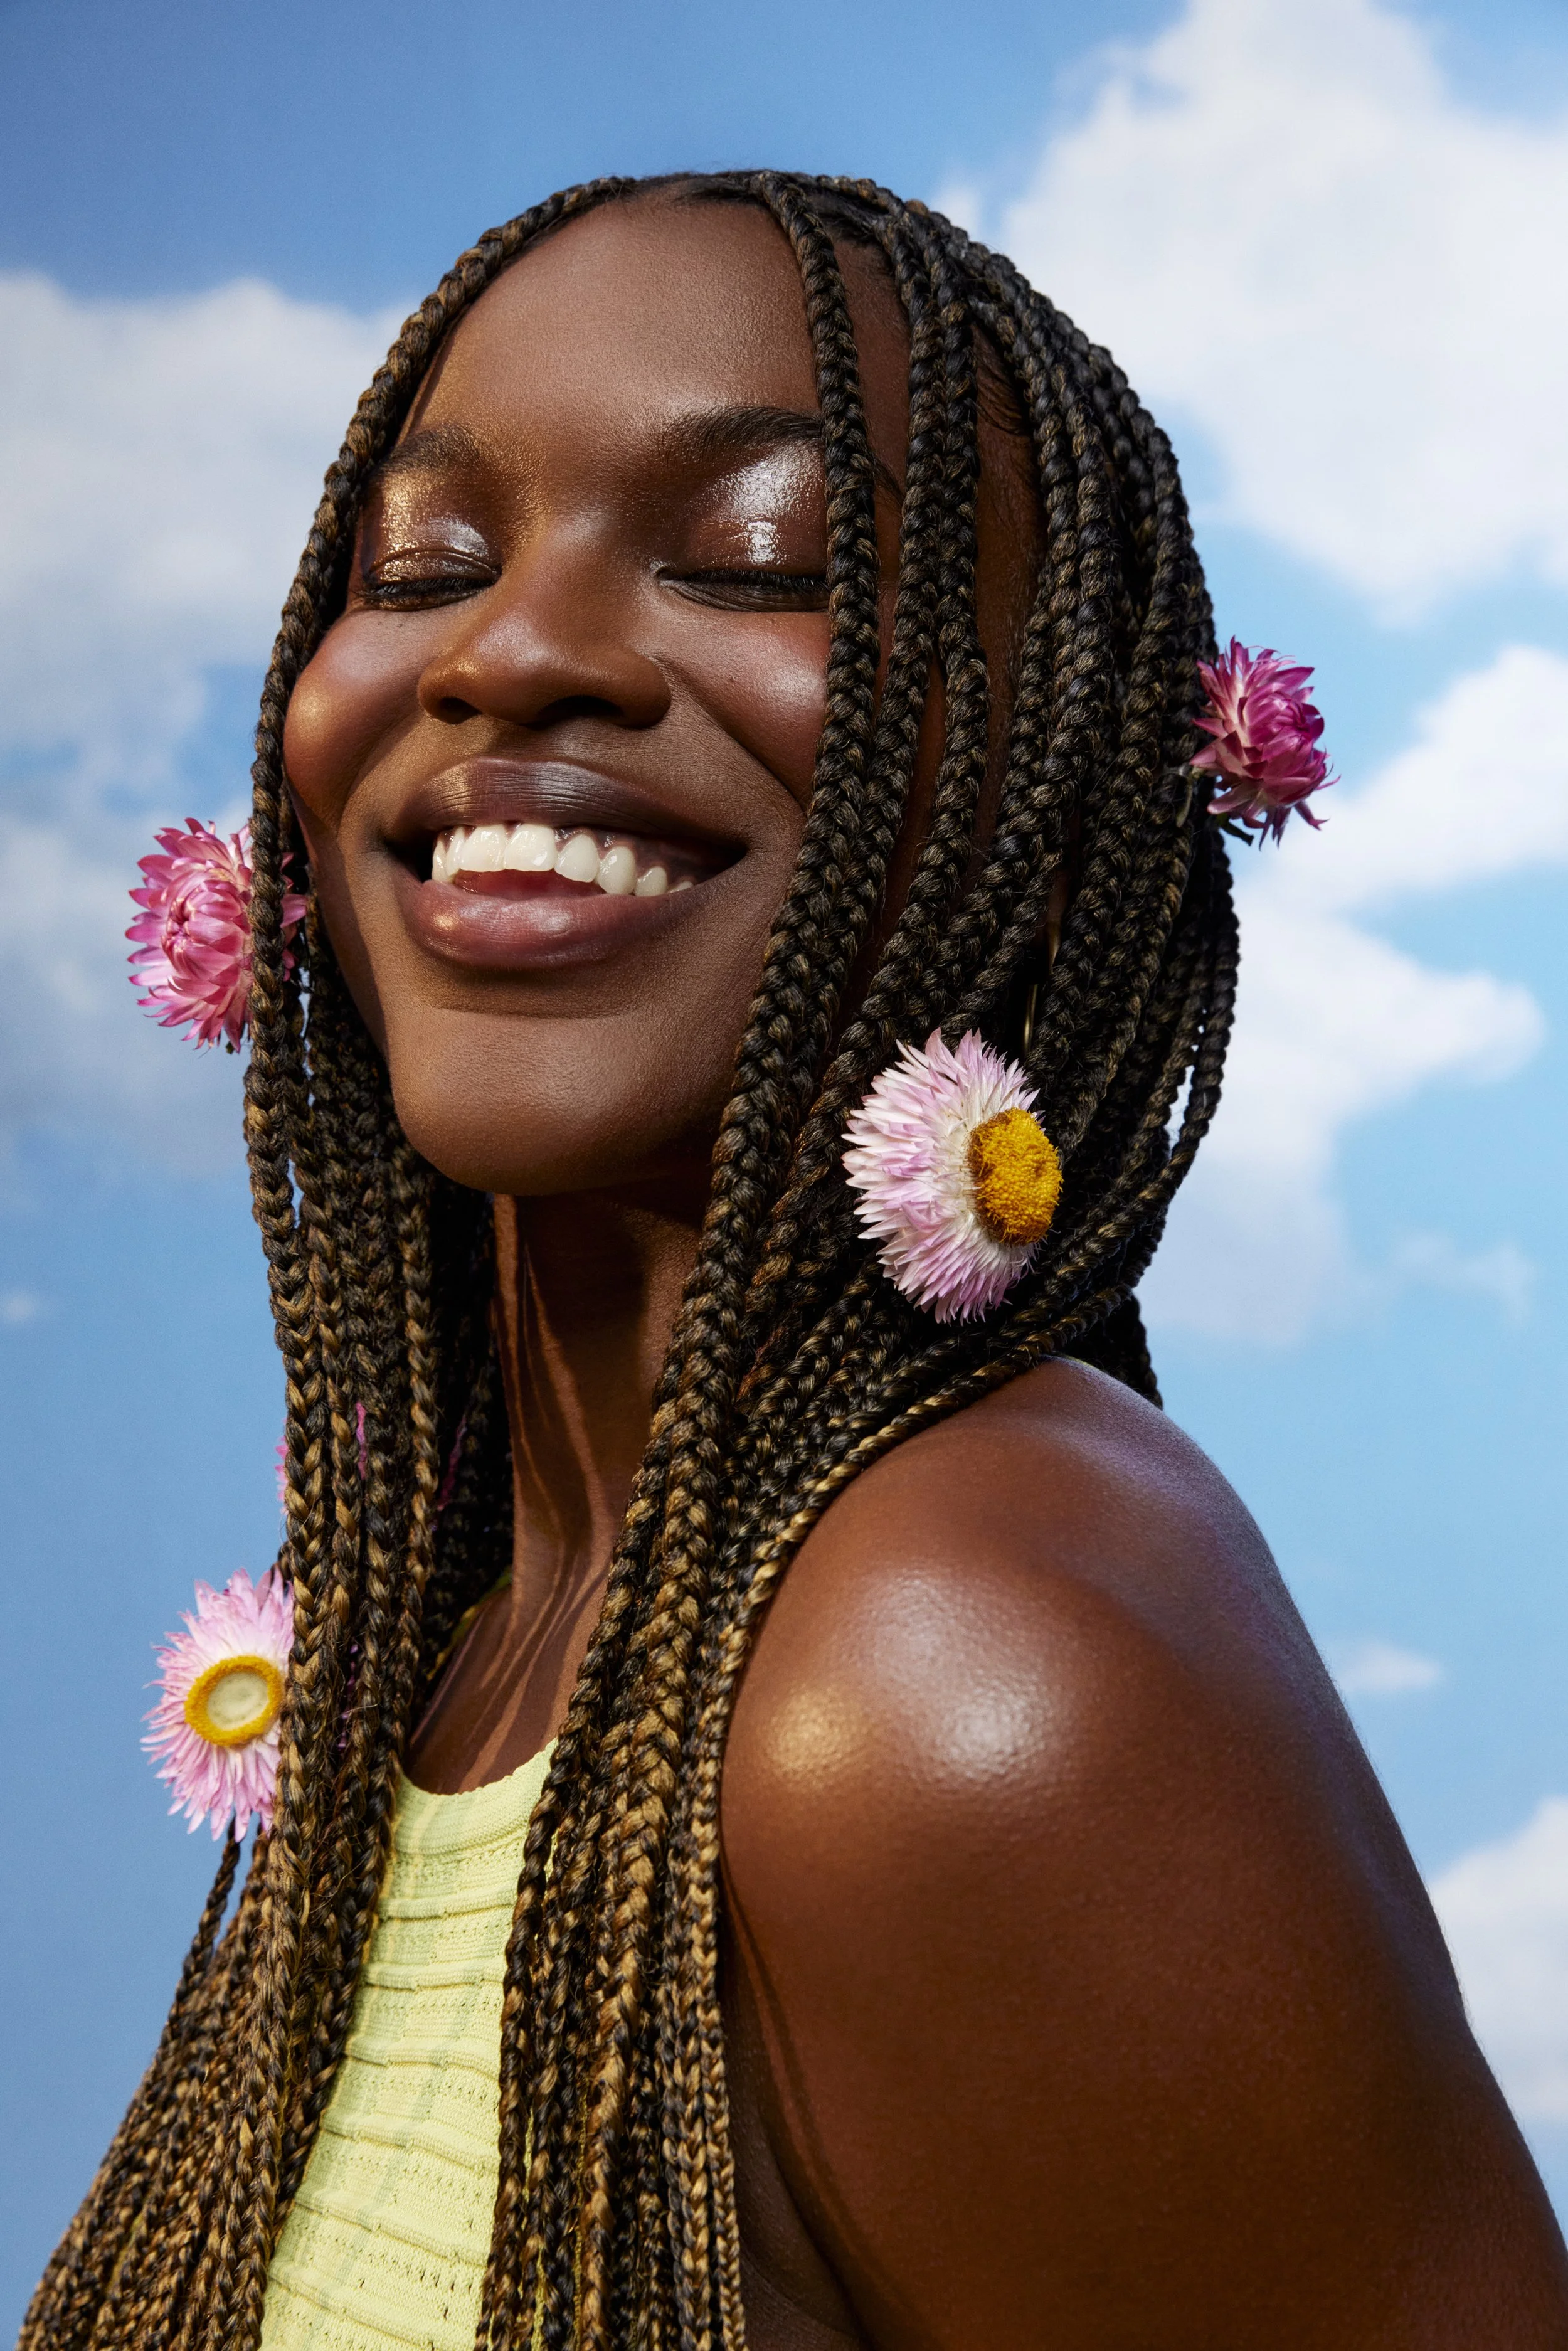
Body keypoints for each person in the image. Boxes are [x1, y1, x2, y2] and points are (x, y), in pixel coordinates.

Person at [23, 172, 1568, 2351]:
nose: (512, 648)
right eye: (423, 564)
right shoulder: (457, 1657)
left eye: (758, 558)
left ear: (1064, 800)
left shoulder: (953, 1669)